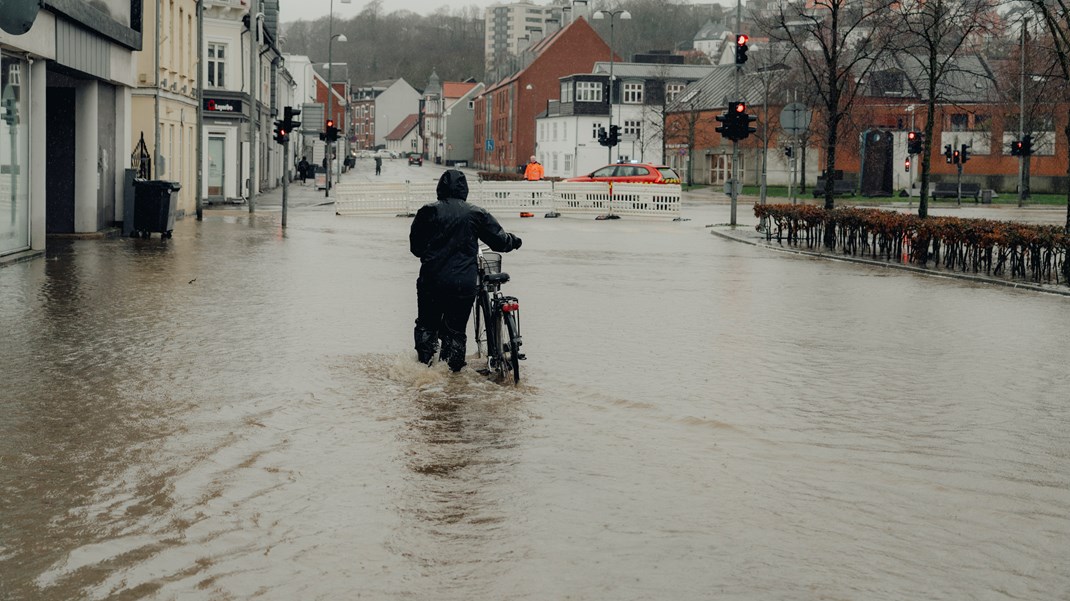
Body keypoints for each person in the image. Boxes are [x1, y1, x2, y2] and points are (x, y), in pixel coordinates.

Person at [409, 170, 522, 371]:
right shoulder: (476, 213)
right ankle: (452, 375)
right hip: (462, 283)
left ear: (440, 188)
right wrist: (514, 241)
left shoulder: (427, 211)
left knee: (427, 325)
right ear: (465, 190)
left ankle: (424, 369)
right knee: (455, 330)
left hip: (432, 280)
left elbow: (416, 248)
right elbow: (500, 241)